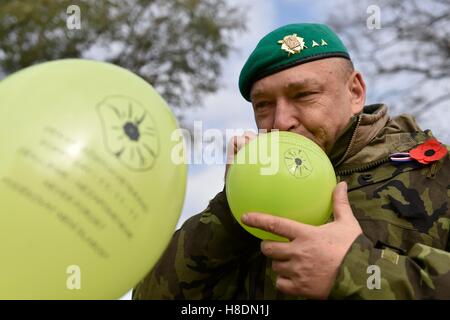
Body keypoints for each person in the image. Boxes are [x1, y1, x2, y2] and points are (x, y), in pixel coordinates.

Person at [132, 23, 450, 299]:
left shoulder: (438, 173)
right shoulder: (250, 199)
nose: (281, 121)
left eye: (303, 95)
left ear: (355, 92)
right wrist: (230, 209)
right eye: (264, 105)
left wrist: (354, 269)